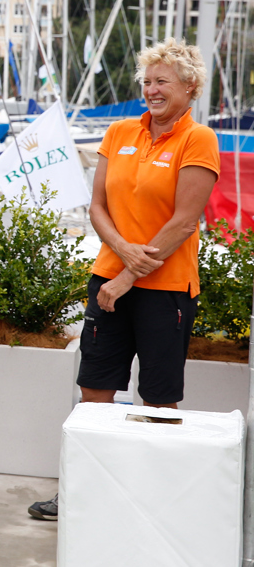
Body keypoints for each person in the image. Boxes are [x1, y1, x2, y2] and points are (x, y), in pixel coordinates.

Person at [28, 37, 219, 522]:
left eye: (163, 82)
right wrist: (122, 255)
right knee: (95, 390)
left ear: (190, 87)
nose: (152, 90)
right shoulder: (118, 132)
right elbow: (97, 206)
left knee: (158, 398)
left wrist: (127, 277)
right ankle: (79, 495)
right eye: (147, 81)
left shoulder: (199, 140)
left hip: (165, 291)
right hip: (108, 280)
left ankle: (153, 504)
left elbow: (182, 223)